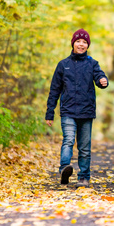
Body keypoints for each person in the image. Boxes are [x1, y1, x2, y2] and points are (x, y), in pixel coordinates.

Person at [45, 28, 108, 187]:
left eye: (84, 42)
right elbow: (54, 90)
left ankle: (84, 177)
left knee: (84, 147)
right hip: (68, 111)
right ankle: (64, 169)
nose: (81, 44)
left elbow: (99, 76)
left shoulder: (92, 63)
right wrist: (49, 112)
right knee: (68, 140)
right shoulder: (63, 65)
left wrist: (102, 80)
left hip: (86, 112)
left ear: (88, 45)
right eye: (78, 41)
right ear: (73, 43)